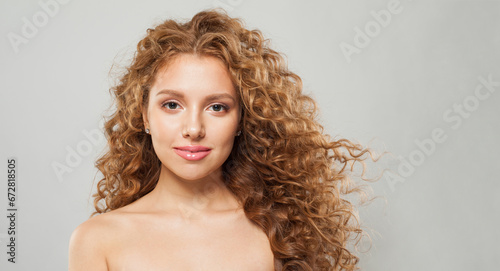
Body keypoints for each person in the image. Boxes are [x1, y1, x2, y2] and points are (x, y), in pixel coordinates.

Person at [68, 9, 375, 271]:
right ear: (145, 116)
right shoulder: (97, 240)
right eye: (172, 105)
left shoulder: (279, 234)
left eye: (217, 107)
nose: (193, 128)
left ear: (241, 120)